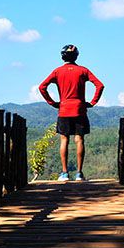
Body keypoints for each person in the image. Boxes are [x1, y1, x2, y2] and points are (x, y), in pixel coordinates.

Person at [38, 45, 104, 181]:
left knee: (64, 140)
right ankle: (79, 173)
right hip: (79, 109)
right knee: (79, 139)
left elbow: (42, 87)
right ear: (76, 56)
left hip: (64, 109)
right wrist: (92, 102)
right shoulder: (83, 71)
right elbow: (100, 85)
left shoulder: (57, 72)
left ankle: (64, 173)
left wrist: (52, 102)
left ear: (62, 56)